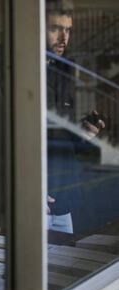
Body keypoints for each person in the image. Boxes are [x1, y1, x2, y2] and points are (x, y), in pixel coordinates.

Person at [45, 0, 105, 233]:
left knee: (63, 265)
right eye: (55, 28)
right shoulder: (15, 69)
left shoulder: (64, 68)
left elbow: (60, 132)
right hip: (32, 198)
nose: (63, 37)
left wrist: (84, 134)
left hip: (62, 193)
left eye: (68, 29)